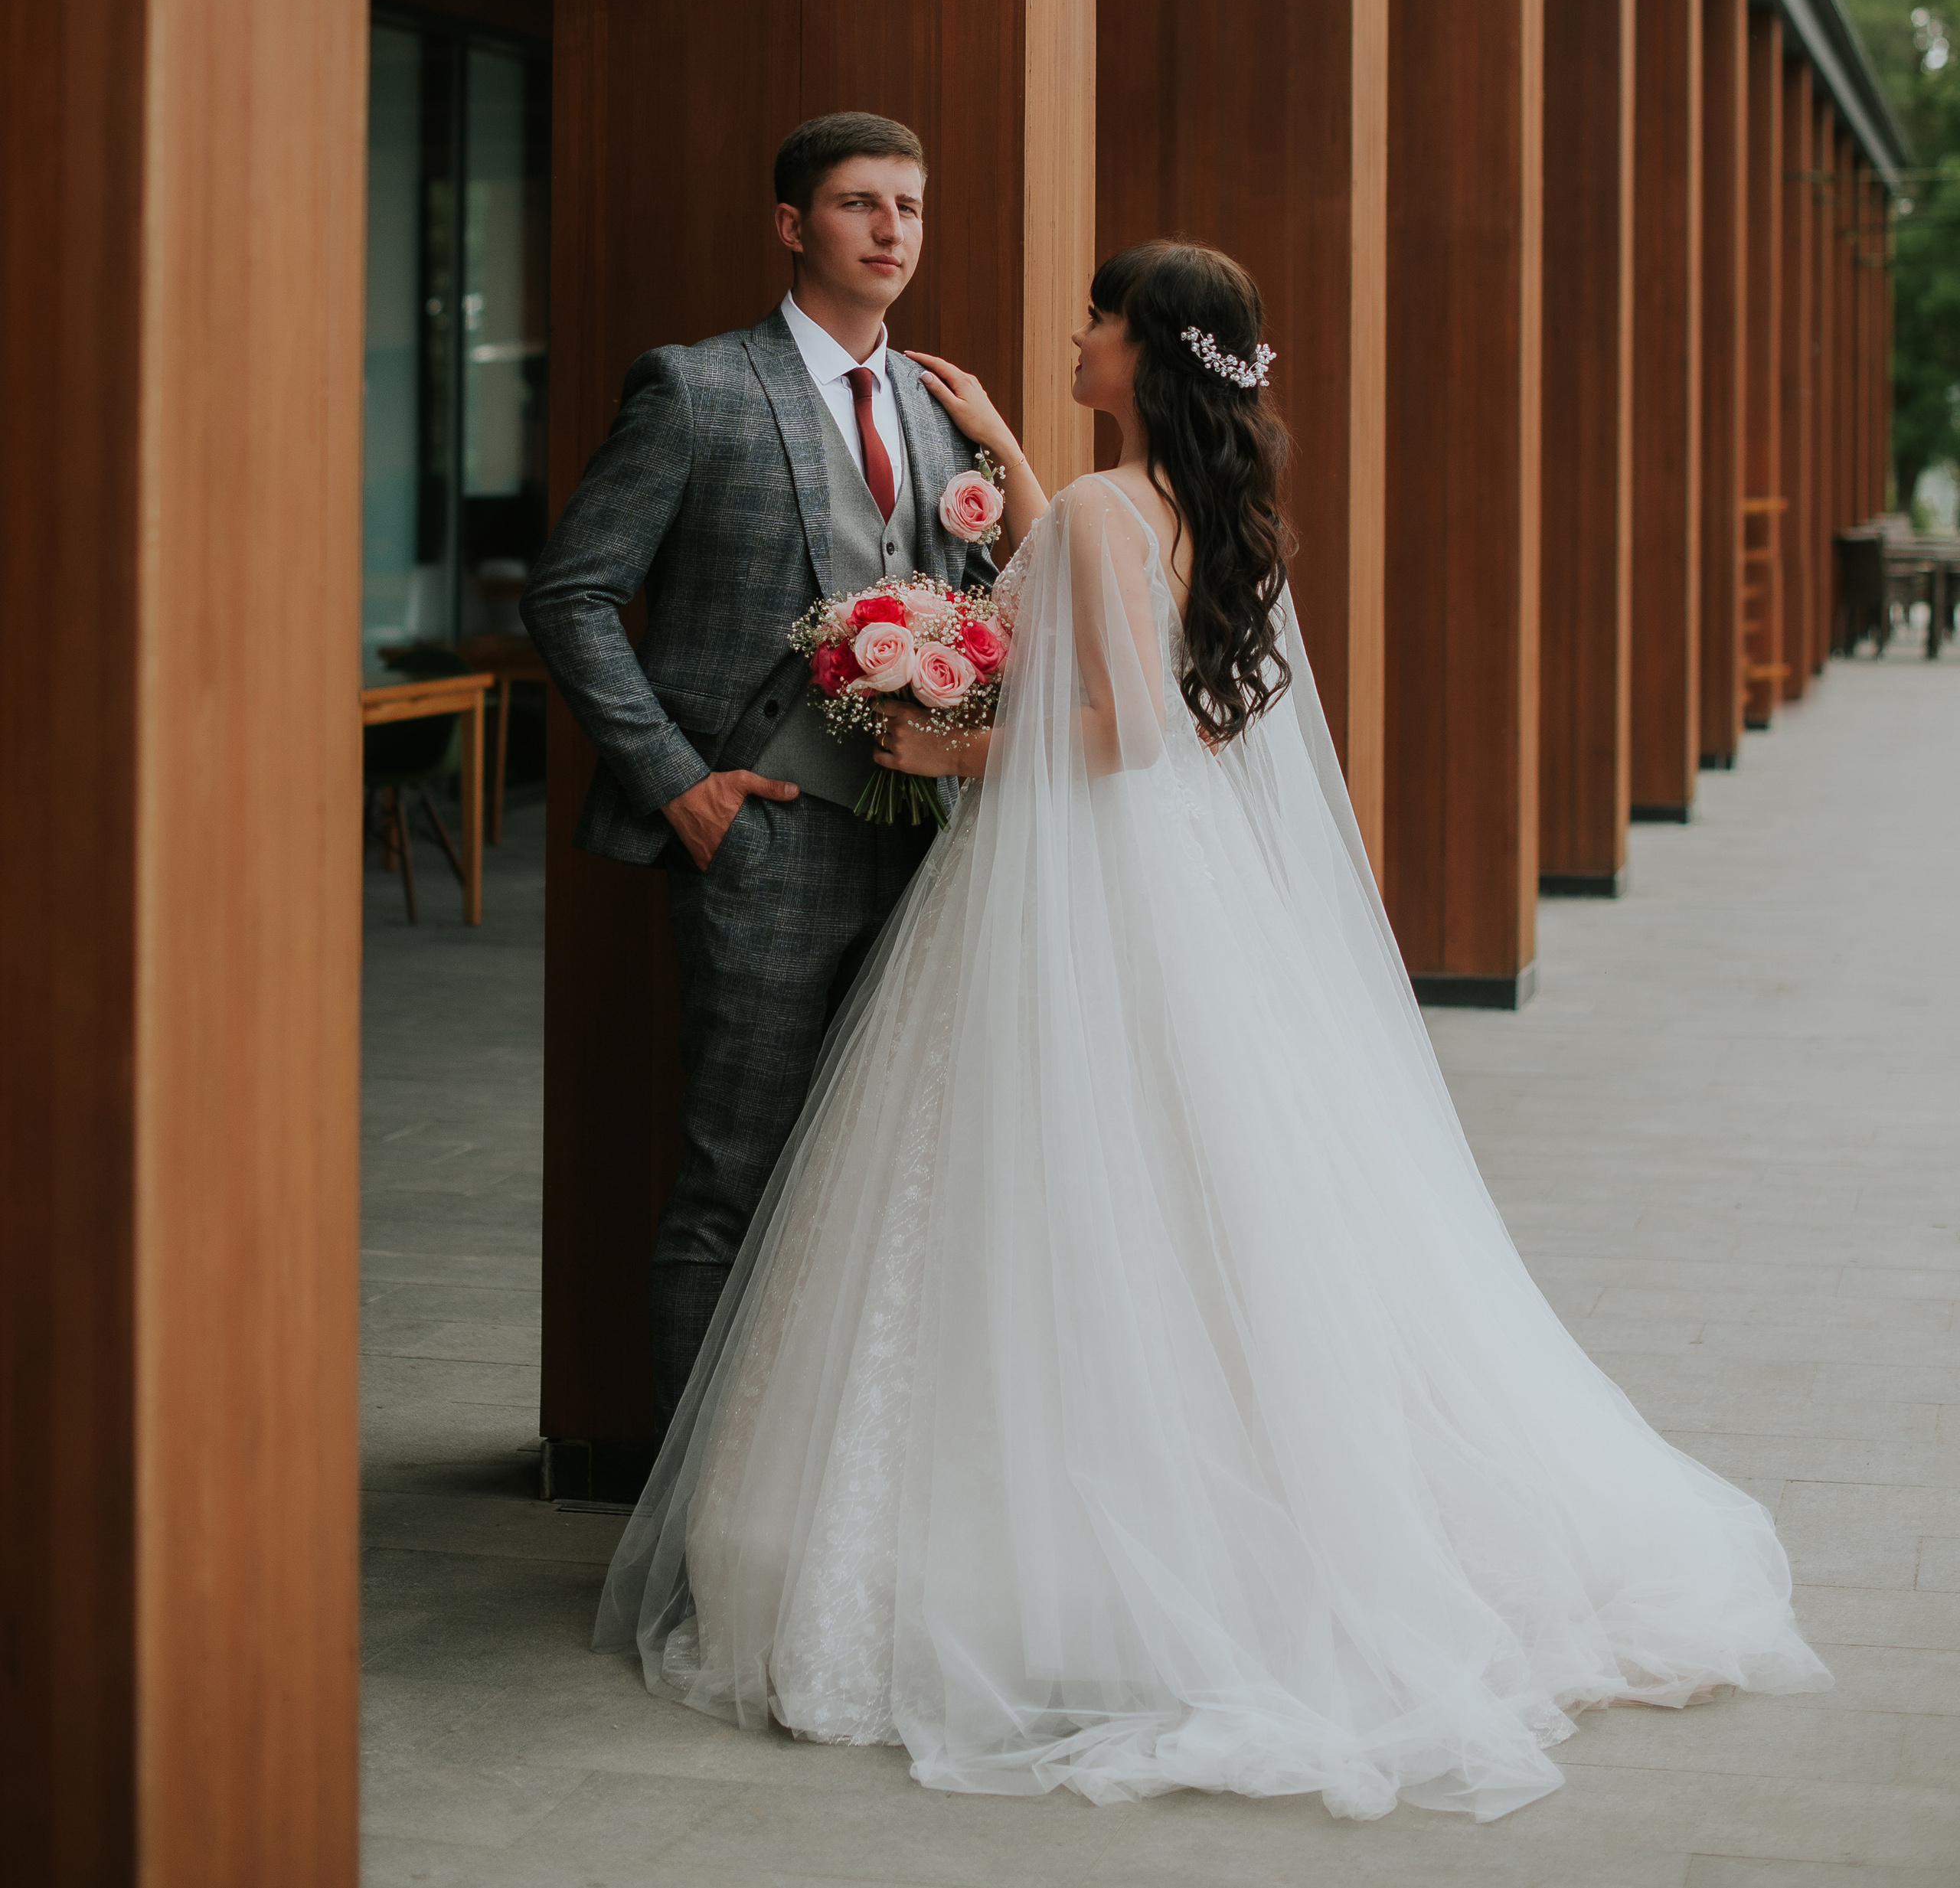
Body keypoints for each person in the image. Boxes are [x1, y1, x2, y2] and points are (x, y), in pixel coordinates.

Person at [592, 236, 1831, 1820]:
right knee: (1192, 1189)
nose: (1073, 331)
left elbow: (1114, 729)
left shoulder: (1114, 516)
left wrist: (934, 741)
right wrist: (1018, 466)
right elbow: (1120, 627)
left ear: (1145, 348)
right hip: (1166, 886)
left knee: (1047, 1182)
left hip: (1070, 873)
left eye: (1094, 318)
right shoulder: (1174, 508)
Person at [520, 113, 997, 1428]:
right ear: (795, 226)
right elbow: (572, 592)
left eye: (909, 204)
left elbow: (987, 599)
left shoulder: (940, 406)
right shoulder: (697, 386)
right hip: (764, 844)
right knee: (732, 1183)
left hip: (927, 850)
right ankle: (689, 1544)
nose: (892, 229)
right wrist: (684, 783)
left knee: (888, 1187)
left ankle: (824, 1504)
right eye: (860, 204)